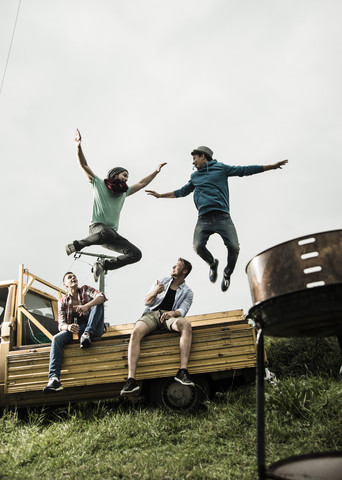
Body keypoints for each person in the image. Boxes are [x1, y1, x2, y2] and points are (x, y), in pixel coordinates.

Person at [146, 146, 288, 292]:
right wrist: (160, 195)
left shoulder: (221, 168)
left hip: (223, 217)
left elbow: (244, 170)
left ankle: (227, 273)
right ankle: (213, 264)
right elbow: (182, 192)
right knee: (198, 246)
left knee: (234, 247)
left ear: (203, 156)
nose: (193, 162)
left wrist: (271, 166)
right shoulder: (195, 177)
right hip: (203, 219)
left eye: (195, 159)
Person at [65, 129, 166, 281]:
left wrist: (155, 172)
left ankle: (103, 266)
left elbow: (142, 183)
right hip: (96, 228)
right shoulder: (99, 184)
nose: (127, 179)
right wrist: (78, 146)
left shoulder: (124, 192)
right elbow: (84, 165)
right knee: (108, 233)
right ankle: (77, 244)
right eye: (125, 175)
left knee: (135, 254)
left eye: (128, 177)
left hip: (109, 235)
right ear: (115, 175)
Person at [120, 258, 194, 396]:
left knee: (186, 324)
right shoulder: (162, 280)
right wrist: (156, 291)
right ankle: (131, 381)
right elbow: (146, 301)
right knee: (136, 332)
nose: (172, 266)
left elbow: (182, 311)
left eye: (177, 266)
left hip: (169, 317)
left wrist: (171, 313)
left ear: (185, 271)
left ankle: (182, 371)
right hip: (152, 315)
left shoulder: (188, 292)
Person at [43, 272, 106, 393]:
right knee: (56, 339)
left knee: (98, 302)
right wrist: (68, 327)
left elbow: (102, 296)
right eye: (69, 277)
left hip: (94, 328)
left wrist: (87, 306)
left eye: (74, 276)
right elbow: (60, 324)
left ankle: (88, 333)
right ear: (65, 284)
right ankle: (54, 379)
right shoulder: (62, 301)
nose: (73, 278)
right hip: (78, 331)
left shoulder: (85, 290)